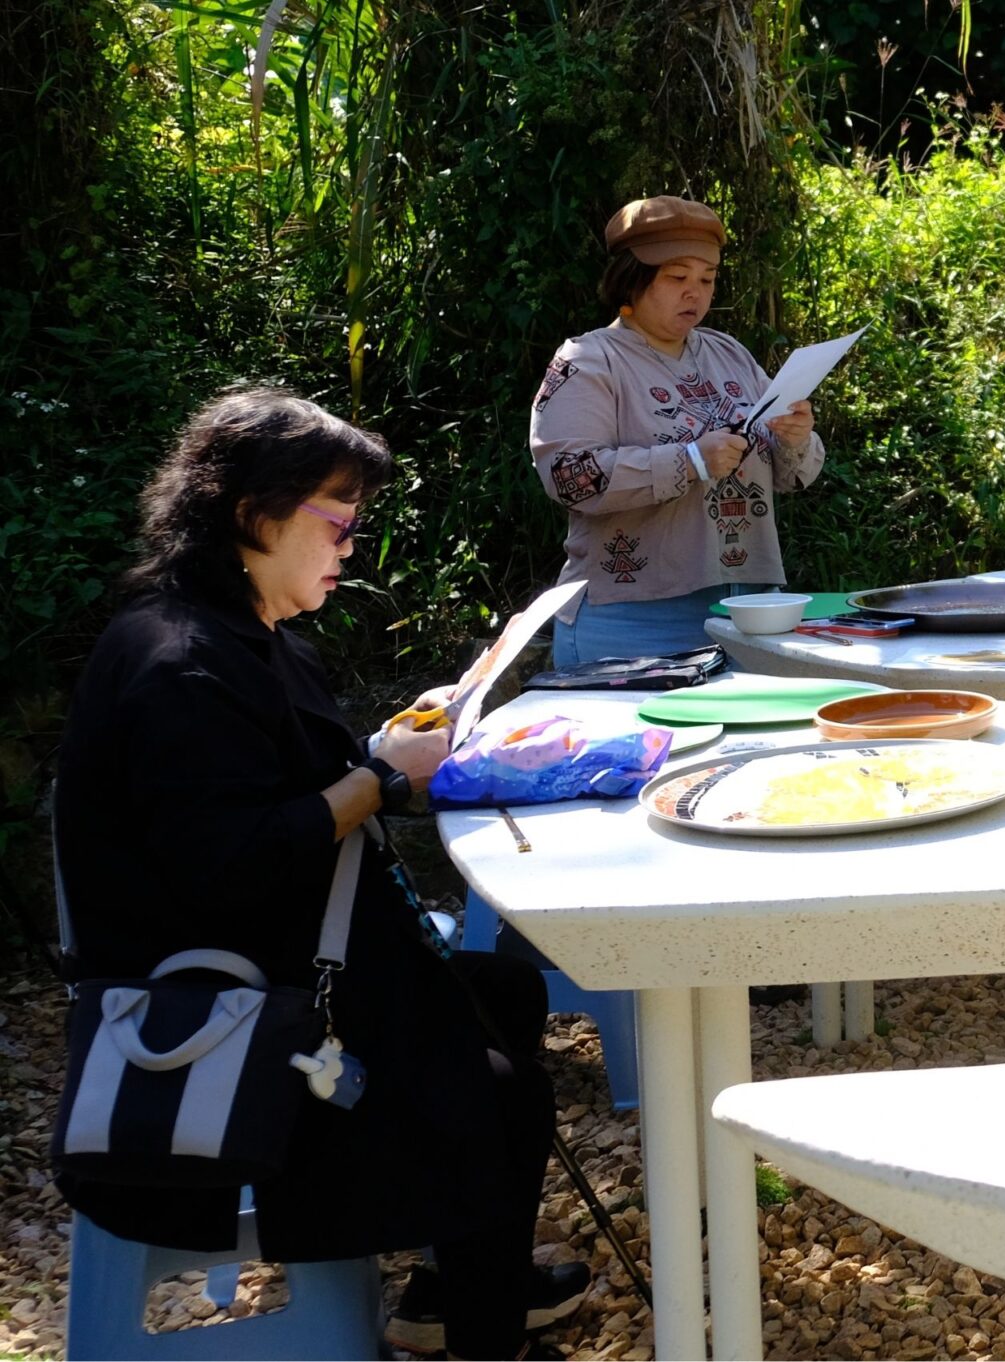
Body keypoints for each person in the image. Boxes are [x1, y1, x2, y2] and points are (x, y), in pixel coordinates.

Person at [55, 390, 587, 1360]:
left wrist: (390, 751)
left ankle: (456, 1290)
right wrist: (381, 780)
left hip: (288, 968)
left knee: (500, 989)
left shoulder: (244, 634)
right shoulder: (180, 663)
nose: (349, 548)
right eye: (338, 523)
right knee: (500, 1089)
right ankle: (482, 1337)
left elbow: (297, 785)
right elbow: (230, 863)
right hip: (224, 1025)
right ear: (256, 514)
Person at [531, 195, 826, 667]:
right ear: (632, 278)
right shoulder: (588, 360)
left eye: (707, 279)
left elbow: (792, 475)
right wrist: (688, 460)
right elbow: (570, 476)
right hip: (631, 621)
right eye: (677, 277)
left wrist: (794, 438)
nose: (696, 293)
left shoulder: (727, 352)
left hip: (747, 613)